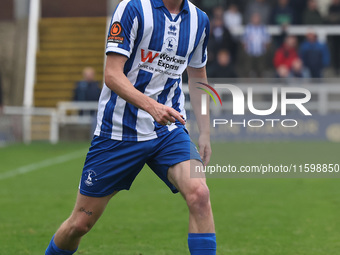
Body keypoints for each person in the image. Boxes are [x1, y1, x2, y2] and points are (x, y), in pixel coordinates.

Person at [45, 0, 216, 255]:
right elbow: (112, 75)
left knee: (199, 194)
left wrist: (205, 131)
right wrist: (152, 107)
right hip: (118, 131)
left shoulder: (199, 20)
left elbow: (198, 76)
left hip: (167, 131)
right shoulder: (132, 8)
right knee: (80, 223)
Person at [242, 13, 271, 77]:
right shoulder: (248, 28)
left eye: (257, 18)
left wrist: (265, 50)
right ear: (251, 19)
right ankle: (247, 85)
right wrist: (246, 50)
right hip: (249, 53)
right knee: (247, 70)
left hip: (261, 53)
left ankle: (260, 85)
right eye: (254, 18)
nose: (256, 20)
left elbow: (268, 41)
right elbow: (244, 41)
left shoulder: (263, 28)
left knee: (261, 70)